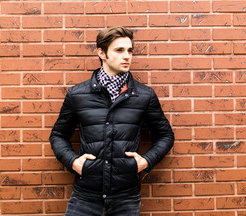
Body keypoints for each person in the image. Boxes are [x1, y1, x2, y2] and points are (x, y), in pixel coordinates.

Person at [49, 26, 174, 216]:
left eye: (130, 50)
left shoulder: (144, 95)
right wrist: (73, 162)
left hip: (126, 197)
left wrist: (145, 161)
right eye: (119, 50)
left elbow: (165, 136)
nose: (127, 56)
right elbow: (58, 135)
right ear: (102, 53)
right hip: (85, 196)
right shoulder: (78, 94)